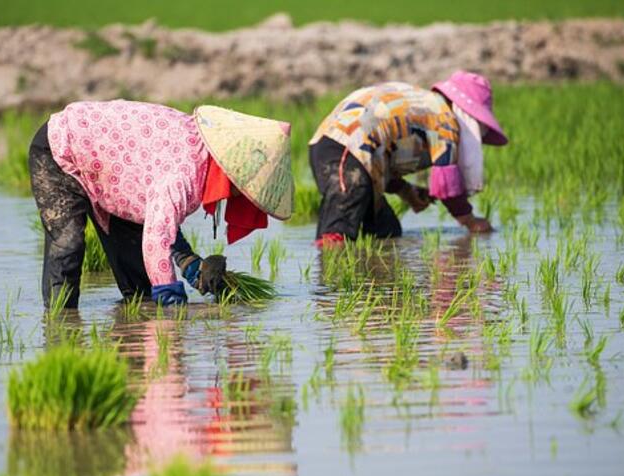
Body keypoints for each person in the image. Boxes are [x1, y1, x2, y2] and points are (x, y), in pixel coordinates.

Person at [28, 101, 294, 308]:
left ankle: (133, 350)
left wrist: (190, 265)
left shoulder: (199, 156)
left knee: (140, 288)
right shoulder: (185, 174)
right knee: (68, 245)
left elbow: (161, 219)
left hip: (115, 174)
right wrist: (172, 304)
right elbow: (156, 238)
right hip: (62, 146)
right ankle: (60, 331)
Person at [308, 71, 509, 246]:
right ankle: (330, 287)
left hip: (345, 152)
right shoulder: (444, 118)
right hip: (346, 147)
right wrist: (470, 220)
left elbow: (383, 153)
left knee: (386, 231)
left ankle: (376, 285)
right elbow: (447, 185)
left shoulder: (424, 105)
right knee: (336, 233)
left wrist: (406, 191)